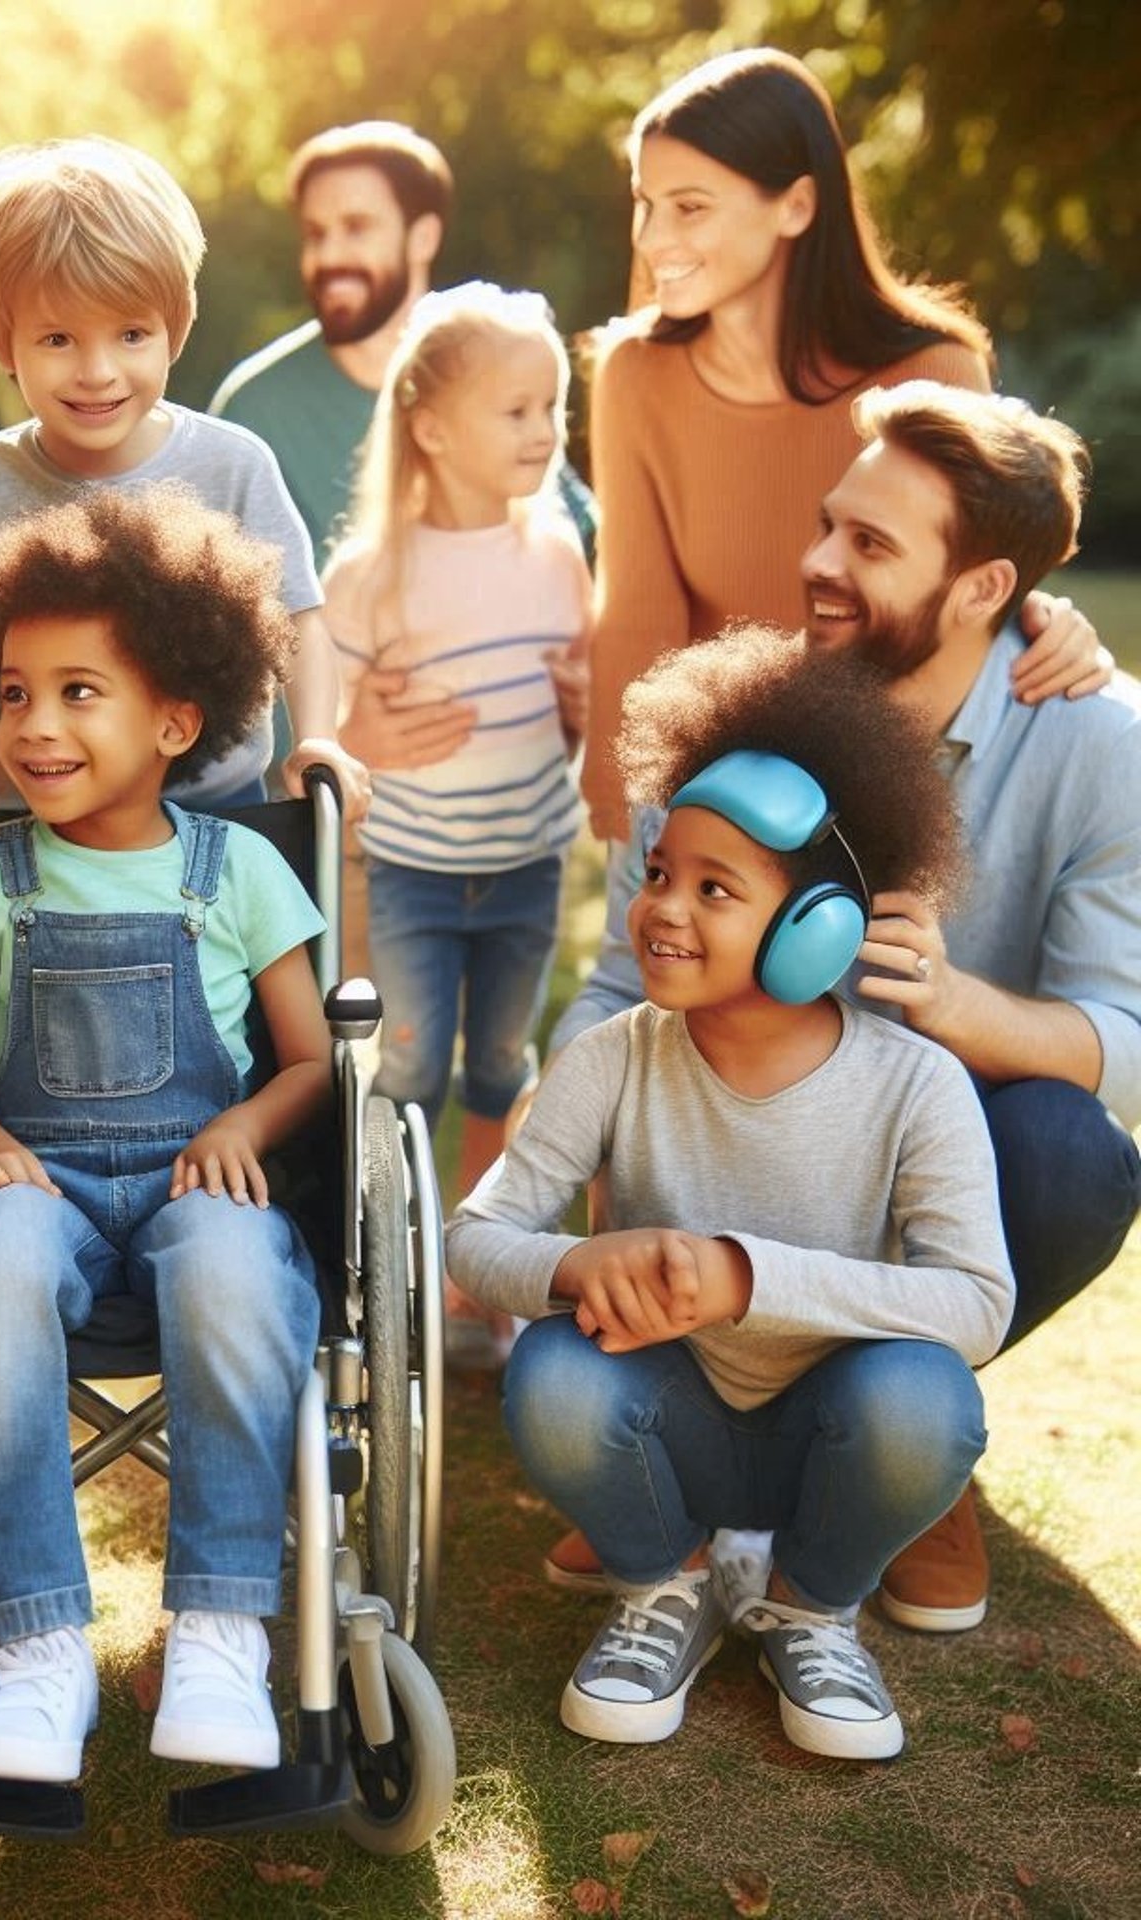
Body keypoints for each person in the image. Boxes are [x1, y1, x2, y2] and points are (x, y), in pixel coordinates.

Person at [552, 383, 1141, 1632]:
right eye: (830, 524)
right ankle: (672, 1425)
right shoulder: (734, 720)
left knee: (1075, 1154)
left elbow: (1128, 1050)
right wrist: (583, 1132)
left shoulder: (1103, 747)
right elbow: (614, 988)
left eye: (869, 546)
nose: (815, 563)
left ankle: (907, 1441)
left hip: (937, 1153)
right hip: (727, 1140)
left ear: (986, 589)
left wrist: (960, 1009)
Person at [447, 626, 1011, 1761]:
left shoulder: (916, 1083)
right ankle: (669, 1583)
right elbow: (474, 1238)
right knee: (554, 1373)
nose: (661, 908)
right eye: (660, 873)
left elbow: (976, 1304)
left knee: (926, 1404)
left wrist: (744, 1276)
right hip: (671, 1424)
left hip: (830, 1431)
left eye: (715, 888)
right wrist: (574, 1266)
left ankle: (811, 1601)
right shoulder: (613, 1054)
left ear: (819, 930)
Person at [0, 486, 329, 1782]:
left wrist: (249, 1121)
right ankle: (38, 1654)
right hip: (40, 1175)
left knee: (235, 1265)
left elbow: (311, 1057)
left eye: (79, 692)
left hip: (207, 1174)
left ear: (174, 719)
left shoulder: (241, 869)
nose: (33, 725)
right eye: (14, 691)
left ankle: (219, 1629)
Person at [581, 46, 1104, 845]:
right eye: (643, 203)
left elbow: (967, 579)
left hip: (894, 791)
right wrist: (633, 823)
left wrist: (1049, 617)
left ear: (795, 207)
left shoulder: (934, 367)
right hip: (720, 783)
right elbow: (636, 619)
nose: (652, 239)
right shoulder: (634, 373)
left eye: (689, 208)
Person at [0, 135, 368, 823]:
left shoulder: (232, 465)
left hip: (222, 815)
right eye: (58, 340)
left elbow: (299, 619)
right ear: (1, 342)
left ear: (175, 327)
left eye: (131, 335)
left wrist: (317, 736)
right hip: (53, 818)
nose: (98, 371)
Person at [321, 283, 587, 1352]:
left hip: (527, 863)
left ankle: (478, 1266)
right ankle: (386, 1254)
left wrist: (578, 715)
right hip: (414, 874)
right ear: (431, 427)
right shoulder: (370, 574)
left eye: (552, 408)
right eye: (515, 410)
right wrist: (358, 737)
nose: (544, 431)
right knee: (414, 1065)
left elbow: (571, 706)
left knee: (500, 1064)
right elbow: (317, 730)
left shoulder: (558, 549)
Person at [211, 120, 595, 784]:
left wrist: (580, 684)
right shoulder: (253, 410)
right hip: (333, 816)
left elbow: (578, 545)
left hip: (504, 810)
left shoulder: (499, 374)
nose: (329, 254)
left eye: (357, 227)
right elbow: (213, 640)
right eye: (315, 233)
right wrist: (336, 739)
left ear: (423, 235)